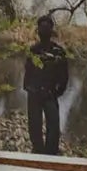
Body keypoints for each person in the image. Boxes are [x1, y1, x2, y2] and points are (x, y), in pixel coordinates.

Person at [23, 14, 70, 156]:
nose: (44, 30)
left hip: (50, 93)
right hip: (34, 93)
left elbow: (64, 74)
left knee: (53, 124)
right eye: (41, 27)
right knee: (34, 124)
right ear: (38, 31)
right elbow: (28, 70)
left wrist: (59, 90)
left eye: (47, 27)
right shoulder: (33, 50)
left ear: (51, 31)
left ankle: (51, 152)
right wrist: (28, 87)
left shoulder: (58, 52)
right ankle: (37, 149)